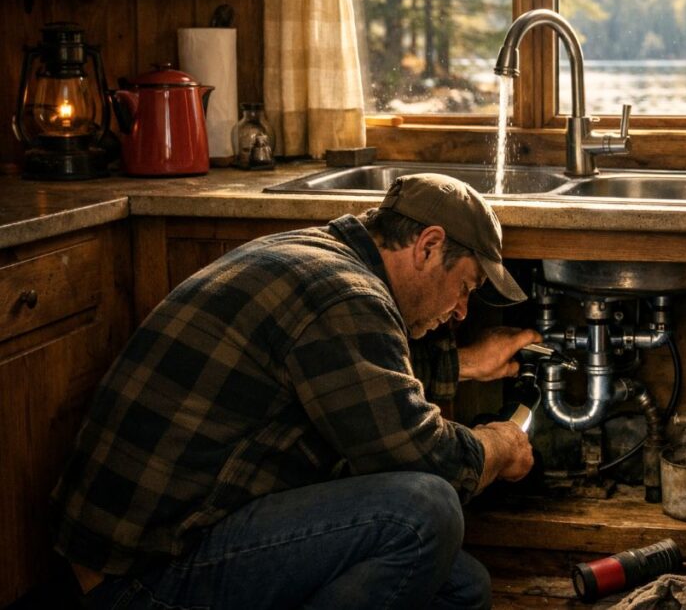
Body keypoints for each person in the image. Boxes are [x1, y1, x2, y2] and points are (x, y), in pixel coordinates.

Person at [51, 173, 541, 610]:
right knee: (423, 510)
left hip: (168, 541)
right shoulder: (347, 296)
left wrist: (465, 365)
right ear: (429, 245)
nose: (460, 312)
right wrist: (498, 445)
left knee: (464, 588)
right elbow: (421, 456)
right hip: (139, 577)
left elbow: (355, 376)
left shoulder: (321, 260)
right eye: (466, 288)